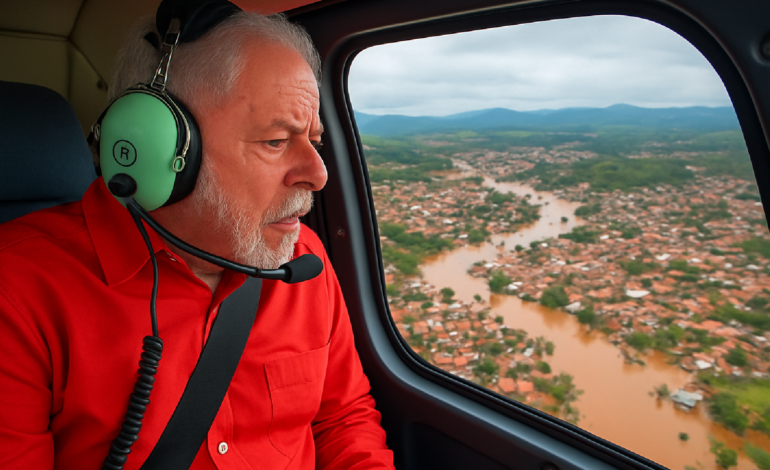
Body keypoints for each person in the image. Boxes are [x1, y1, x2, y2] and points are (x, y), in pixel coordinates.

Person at [0, 6, 394, 470]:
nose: (319, 174)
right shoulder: (19, 291)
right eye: (275, 141)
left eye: (315, 141)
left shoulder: (304, 261)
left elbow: (343, 420)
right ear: (158, 148)